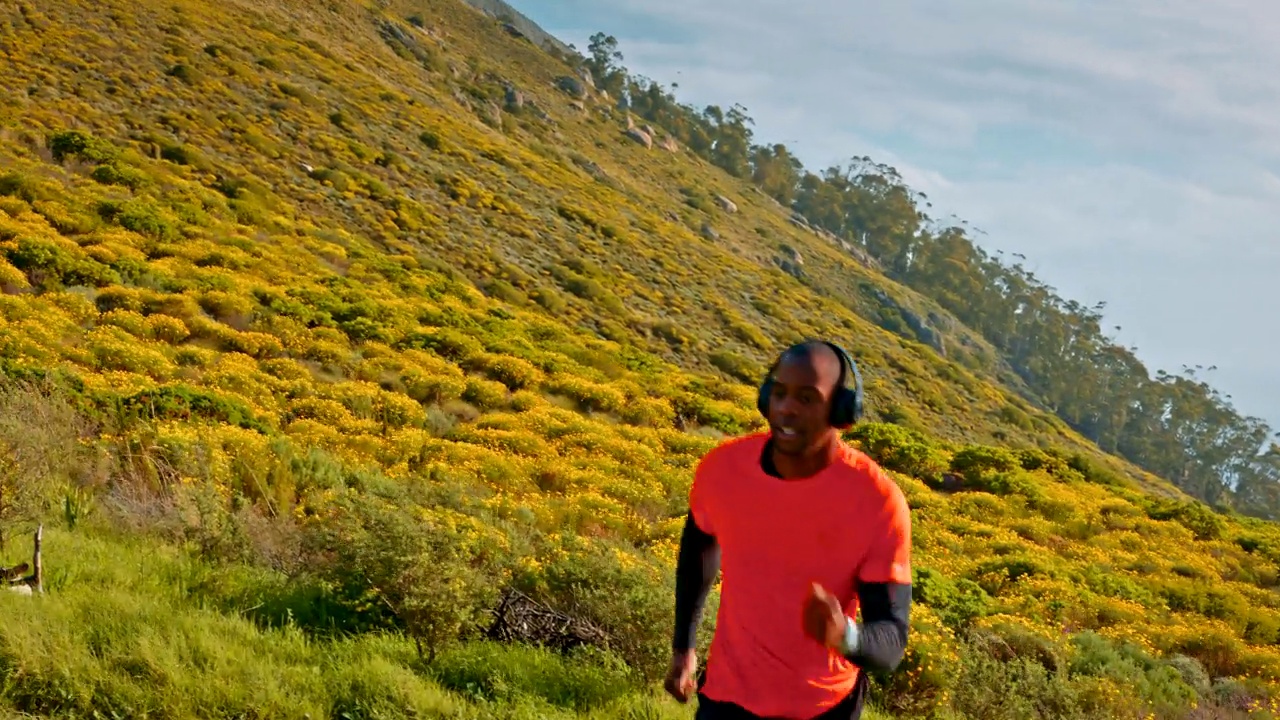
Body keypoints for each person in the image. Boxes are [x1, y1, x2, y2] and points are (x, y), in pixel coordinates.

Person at [664, 339, 913, 720]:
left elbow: (891, 641)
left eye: (807, 398)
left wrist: (845, 636)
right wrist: (684, 648)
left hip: (823, 709)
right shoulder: (723, 470)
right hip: (727, 698)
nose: (785, 408)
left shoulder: (876, 501)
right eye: (778, 393)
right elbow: (697, 547)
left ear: (841, 410)